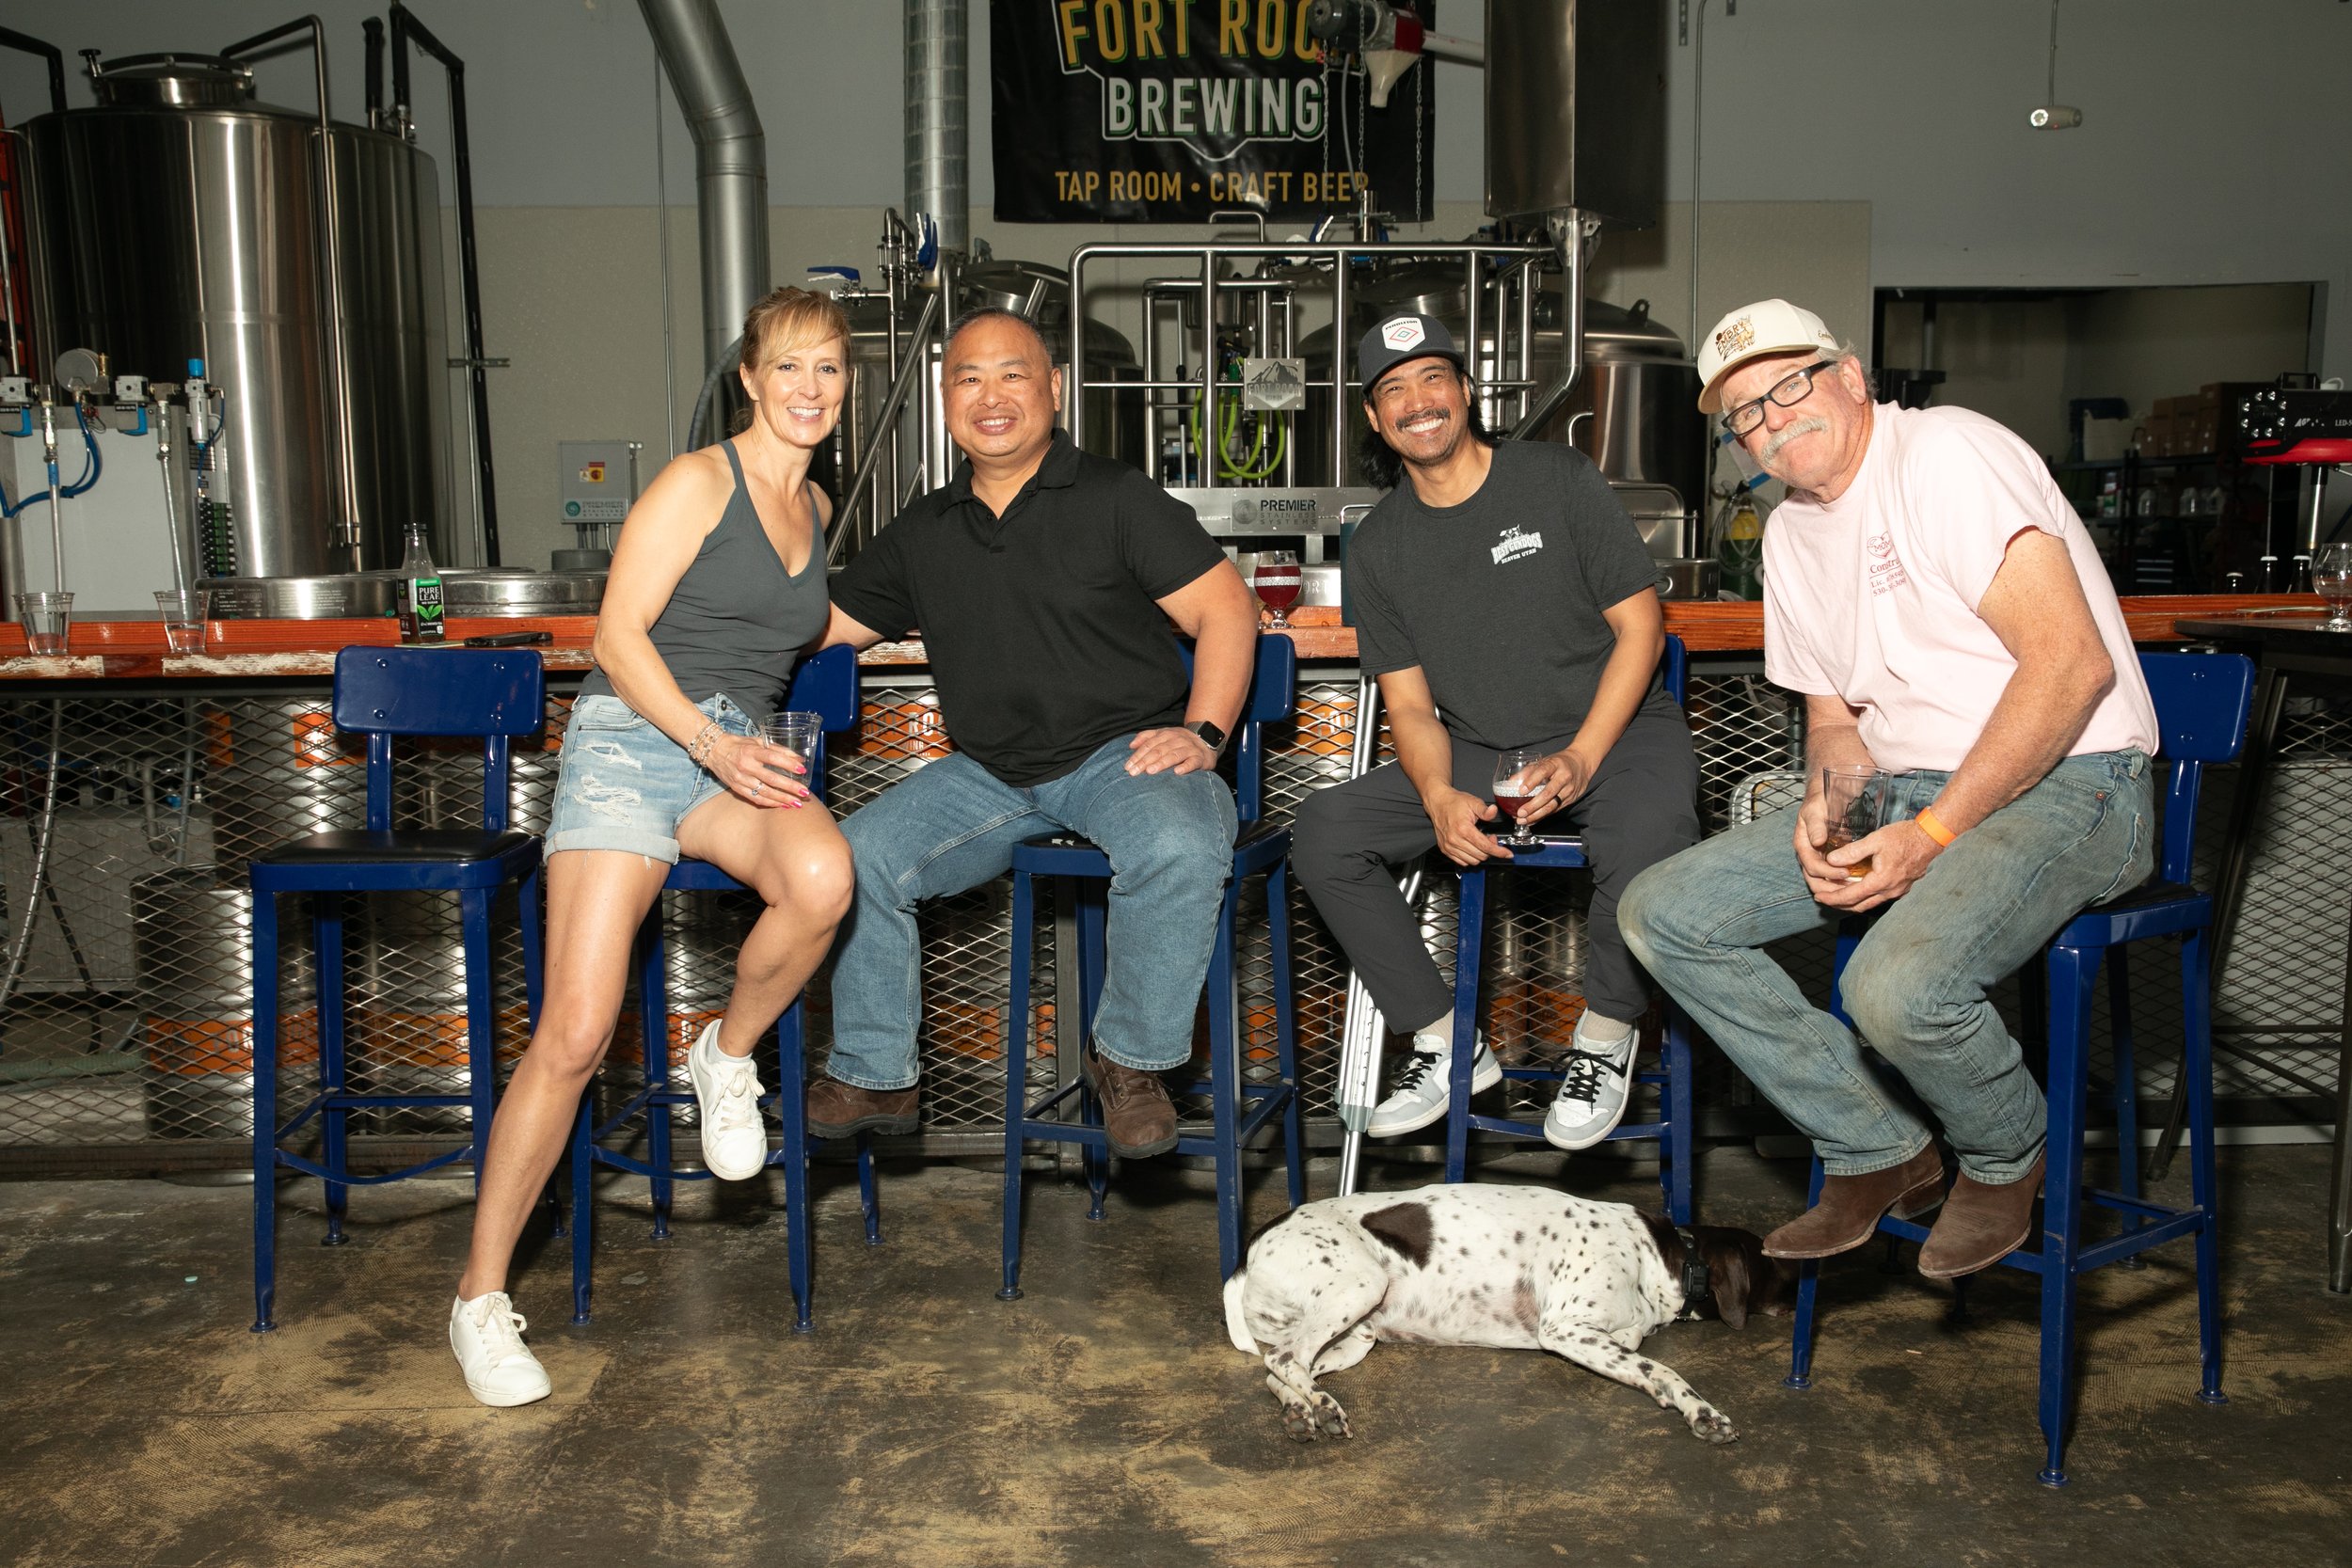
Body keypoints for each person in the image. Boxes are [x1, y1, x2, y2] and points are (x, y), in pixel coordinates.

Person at [1621, 298, 2159, 1279]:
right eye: (1745, 412)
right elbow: (1834, 719)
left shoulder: (1946, 454)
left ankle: (2004, 1153)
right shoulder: (1788, 533)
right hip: (1905, 784)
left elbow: (2069, 666)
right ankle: (1879, 1145)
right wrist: (1831, 802)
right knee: (1664, 911)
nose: (1773, 419)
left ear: (1853, 376)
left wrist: (1937, 830)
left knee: (1895, 985)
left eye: (1789, 385)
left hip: (2074, 780)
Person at [447, 288, 857, 1406]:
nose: (809, 389)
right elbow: (615, 638)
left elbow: (797, 623)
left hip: (732, 758)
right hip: (642, 740)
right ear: (750, 378)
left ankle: (724, 1053)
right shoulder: (696, 481)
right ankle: (480, 1297)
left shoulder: (815, 505)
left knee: (824, 877)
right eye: (789, 368)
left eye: (828, 368)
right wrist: (712, 745)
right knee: (575, 1034)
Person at [806, 308, 1259, 1163]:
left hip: (1119, 755)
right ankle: (876, 1071)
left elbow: (1226, 609)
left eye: (1012, 373)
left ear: (1053, 388)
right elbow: (822, 624)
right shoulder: (923, 532)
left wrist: (1203, 731)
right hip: (990, 772)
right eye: (969, 378)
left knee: (1181, 842)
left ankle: (1129, 1062)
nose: (991, 395)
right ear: (946, 403)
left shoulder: (1117, 496)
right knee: (852, 856)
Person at [1291, 313, 1700, 1149]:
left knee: (1652, 831)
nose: (1418, 402)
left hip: (1614, 730)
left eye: (1432, 379)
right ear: (1375, 419)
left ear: (1466, 392)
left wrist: (1585, 752)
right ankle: (1445, 1041)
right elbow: (1409, 706)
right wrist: (1439, 793)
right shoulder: (1380, 546)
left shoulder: (1557, 478)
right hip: (1481, 747)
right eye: (1393, 391)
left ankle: (1605, 1036)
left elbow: (1641, 630)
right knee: (1326, 831)